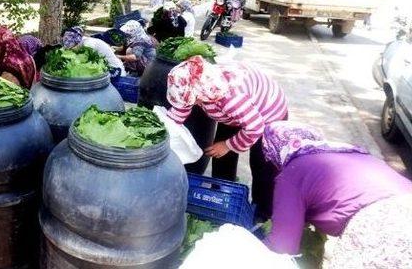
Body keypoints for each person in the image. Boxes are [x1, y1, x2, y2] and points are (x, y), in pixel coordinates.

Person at [262, 121, 412, 268]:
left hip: (379, 226)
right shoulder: (351, 152)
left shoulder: (292, 172)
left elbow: (282, 247)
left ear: (274, 150)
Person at [166, 56, 288, 219]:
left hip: (268, 115)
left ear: (201, 93)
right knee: (220, 154)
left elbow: (254, 127)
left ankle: (263, 213)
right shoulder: (198, 82)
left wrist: (228, 145)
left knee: (262, 167)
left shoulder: (231, 99)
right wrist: (168, 128)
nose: (191, 103)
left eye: (193, 100)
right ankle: (223, 192)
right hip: (237, 114)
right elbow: (182, 106)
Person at [62, 26, 126, 76]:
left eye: (72, 47)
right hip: (106, 72)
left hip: (115, 73)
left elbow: (83, 64)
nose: (71, 49)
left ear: (77, 42)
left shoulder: (89, 45)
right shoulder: (83, 42)